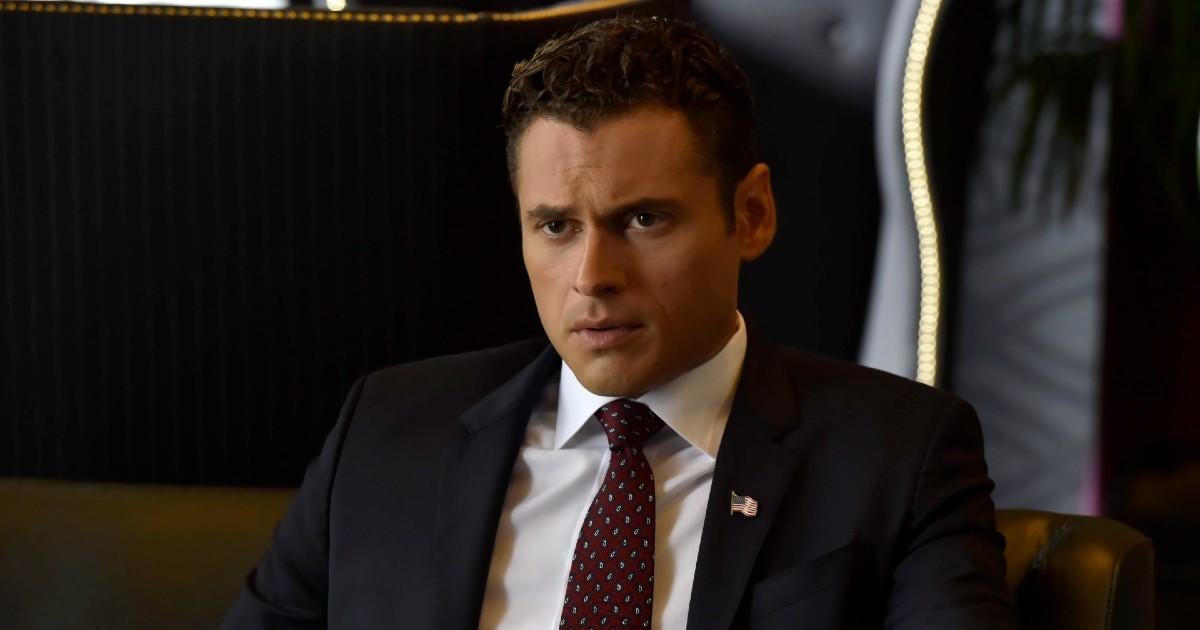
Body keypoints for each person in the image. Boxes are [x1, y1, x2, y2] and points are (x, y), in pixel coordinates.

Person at [224, 16, 1016, 630]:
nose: (593, 276)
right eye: (555, 226)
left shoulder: (897, 455)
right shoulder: (387, 432)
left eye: (642, 219)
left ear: (751, 214)